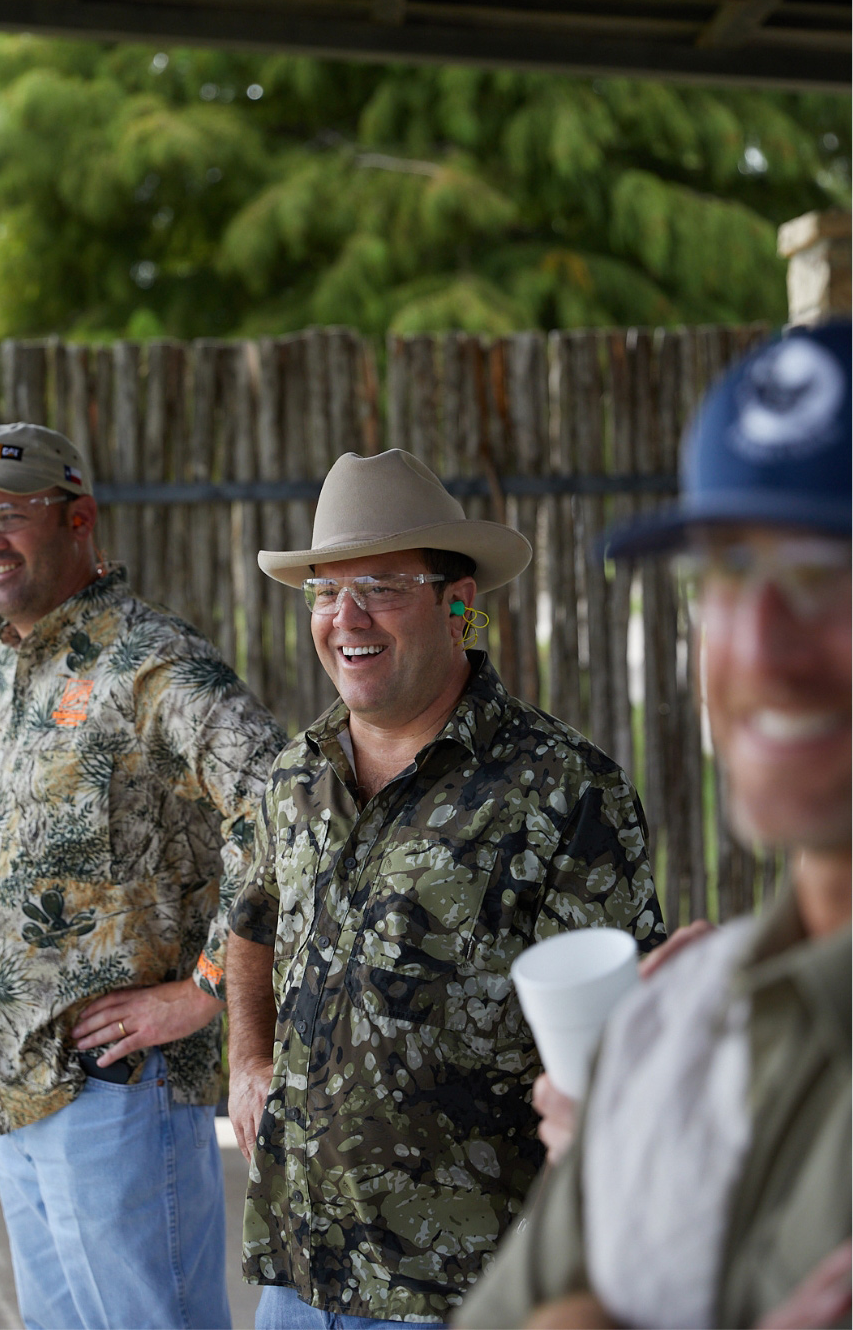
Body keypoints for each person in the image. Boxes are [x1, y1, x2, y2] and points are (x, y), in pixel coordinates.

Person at [455, 321, 852, 1330]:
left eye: (825, 570)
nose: (759, 645)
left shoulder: (558, 775)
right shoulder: (678, 1021)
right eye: (724, 571)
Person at [225, 447, 666, 1329]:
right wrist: (247, 1061)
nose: (346, 617)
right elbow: (248, 921)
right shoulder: (293, 776)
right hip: (296, 1277)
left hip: (465, 1287)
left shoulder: (564, 790)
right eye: (324, 591)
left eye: (382, 586)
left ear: (458, 604)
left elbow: (624, 1045)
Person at [0, 422, 287, 1330]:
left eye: (10, 516)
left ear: (79, 519)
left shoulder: (149, 661)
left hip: (117, 1096)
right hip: (19, 1095)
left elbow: (288, 806)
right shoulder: (16, 661)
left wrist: (204, 991)